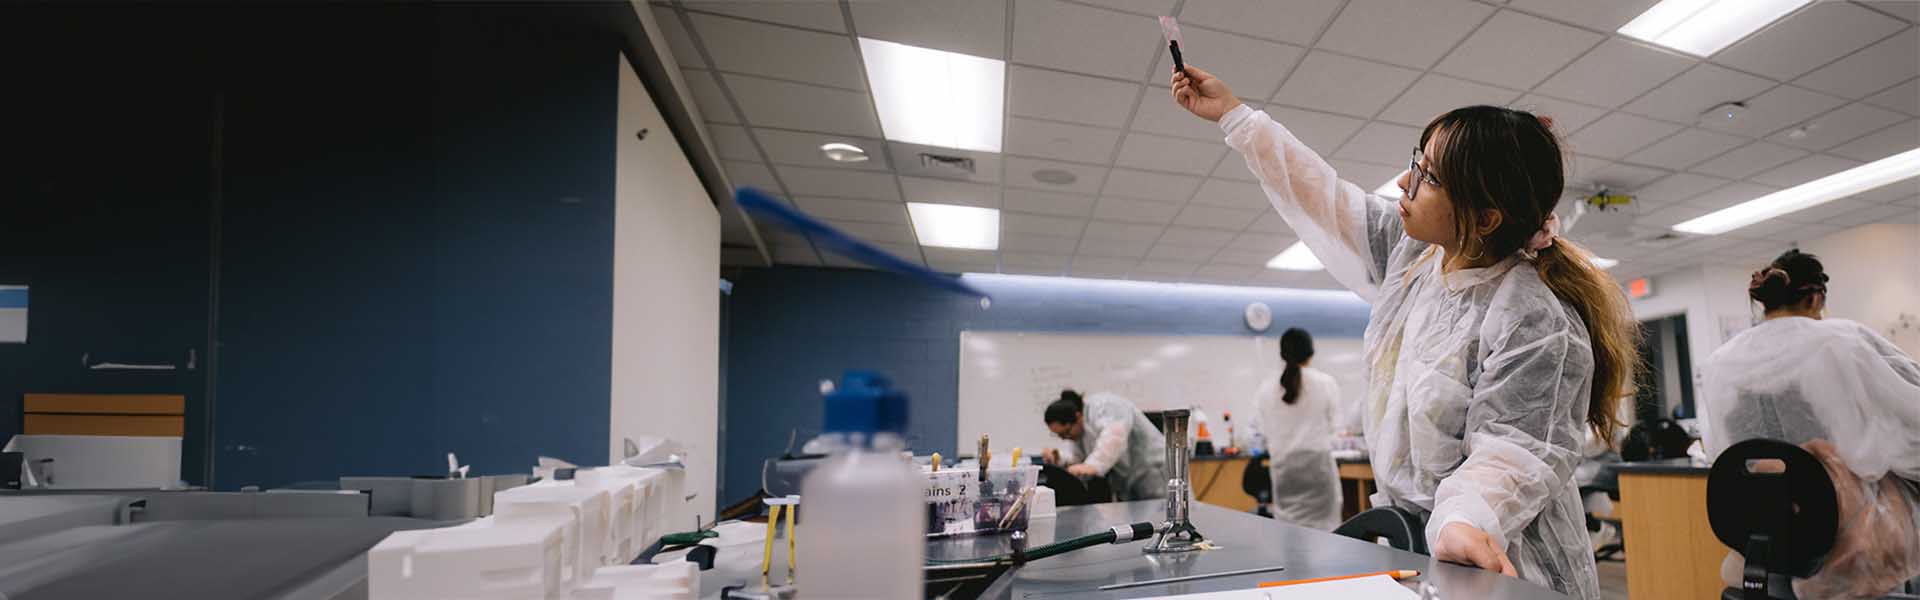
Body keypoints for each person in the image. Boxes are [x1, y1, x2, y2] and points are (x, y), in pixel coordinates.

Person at [1173, 67, 1639, 600]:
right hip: (1427, 552)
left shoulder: (1535, 318)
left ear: (1485, 218)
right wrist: (1238, 117)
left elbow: (1513, 451)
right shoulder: (1417, 258)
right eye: (1416, 162)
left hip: (1505, 561)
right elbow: (1323, 197)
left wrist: (1463, 519)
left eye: (1430, 177)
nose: (1404, 183)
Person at [1701, 249, 1920, 596]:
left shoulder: (1718, 362)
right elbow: (1910, 407)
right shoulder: (1841, 340)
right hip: (1841, 535)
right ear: (1816, 297)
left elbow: (1717, 449)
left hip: (1763, 536)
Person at [1255, 327, 1343, 530]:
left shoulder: (1266, 388)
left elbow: (1261, 429)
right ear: (1311, 353)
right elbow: (1335, 426)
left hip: (1285, 470)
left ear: (1282, 354)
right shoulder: (1325, 383)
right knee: (1326, 533)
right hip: (1318, 469)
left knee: (1289, 532)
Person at [1041, 389, 1168, 501]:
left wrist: (1092, 466)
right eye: (1060, 436)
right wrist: (1059, 458)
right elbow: (1080, 458)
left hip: (1152, 468)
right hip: (1130, 477)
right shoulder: (1079, 430)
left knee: (1159, 517)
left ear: (1077, 417)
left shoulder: (1103, 406)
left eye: (1066, 433)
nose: (1065, 439)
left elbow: (1114, 436)